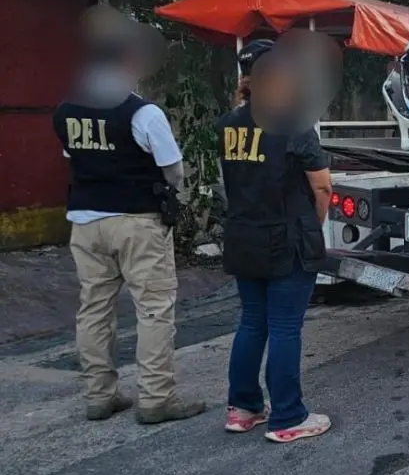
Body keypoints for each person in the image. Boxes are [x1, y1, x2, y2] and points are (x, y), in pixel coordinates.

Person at [52, 32, 207, 424]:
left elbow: (73, 156)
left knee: (93, 309)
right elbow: (173, 170)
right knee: (154, 309)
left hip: (86, 223)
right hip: (137, 222)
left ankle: (99, 396)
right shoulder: (142, 112)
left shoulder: (65, 111)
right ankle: (156, 399)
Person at [218, 40, 334, 442]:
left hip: (243, 237)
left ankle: (243, 408)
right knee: (285, 327)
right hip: (287, 241)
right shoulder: (295, 125)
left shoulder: (228, 125)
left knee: (252, 322)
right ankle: (287, 417)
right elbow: (321, 188)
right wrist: (312, 227)